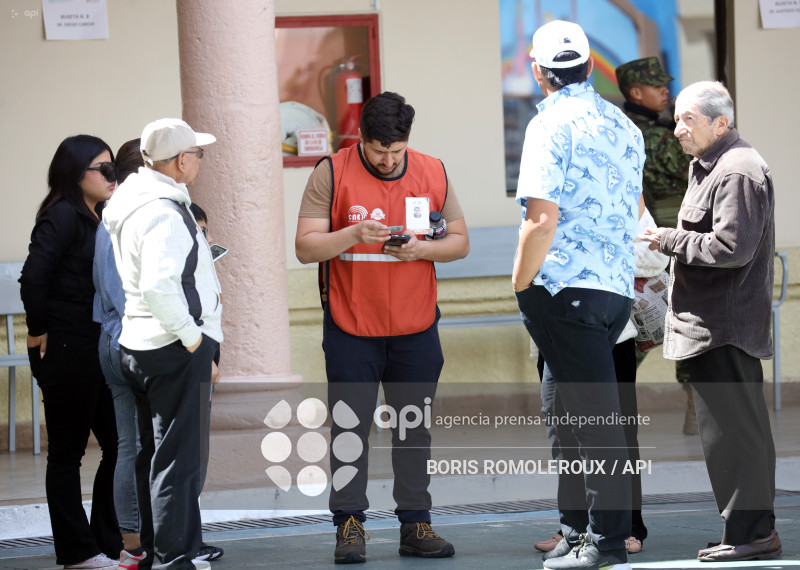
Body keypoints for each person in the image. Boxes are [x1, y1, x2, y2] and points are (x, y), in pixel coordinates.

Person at [295, 91, 469, 564]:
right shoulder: (330, 172)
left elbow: (459, 241)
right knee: (350, 429)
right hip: (352, 326)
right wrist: (351, 233)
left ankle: (416, 524)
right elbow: (306, 248)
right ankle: (349, 527)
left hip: (416, 327)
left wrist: (422, 250)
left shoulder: (432, 169)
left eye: (397, 151)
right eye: (378, 151)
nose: (389, 160)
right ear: (361, 140)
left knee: (414, 431)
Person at [512, 20, 644, 570]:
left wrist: (520, 281)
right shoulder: (624, 125)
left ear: (538, 72)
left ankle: (607, 543)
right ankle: (576, 530)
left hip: (564, 288)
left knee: (591, 423)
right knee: (566, 416)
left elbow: (540, 219)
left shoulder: (548, 125)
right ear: (590, 67)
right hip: (613, 292)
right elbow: (634, 212)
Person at [641, 81, 780, 562]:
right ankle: (747, 530)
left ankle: (751, 534)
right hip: (710, 326)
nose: (678, 129)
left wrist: (668, 239)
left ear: (721, 122)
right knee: (731, 435)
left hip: (724, 327)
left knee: (736, 434)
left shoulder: (737, 170)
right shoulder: (712, 166)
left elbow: (731, 248)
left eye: (689, 120)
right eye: (676, 118)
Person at [93, 140, 224, 570]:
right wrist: (194, 341)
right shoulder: (162, 212)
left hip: (140, 344)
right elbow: (157, 288)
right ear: (181, 159)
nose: (200, 163)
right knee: (173, 461)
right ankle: (173, 558)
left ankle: (153, 553)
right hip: (167, 345)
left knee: (152, 455)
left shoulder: (129, 206)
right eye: (198, 155)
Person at [533, 206, 668, 557]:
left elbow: (654, 257)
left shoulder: (620, 187)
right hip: (553, 333)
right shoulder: (548, 193)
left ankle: (628, 527)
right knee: (566, 436)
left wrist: (592, 254)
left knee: (617, 434)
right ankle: (576, 529)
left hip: (611, 336)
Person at [20, 135, 122, 569]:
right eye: (104, 168)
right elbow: (33, 277)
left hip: (95, 347)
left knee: (118, 444)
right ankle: (77, 553)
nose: (112, 176)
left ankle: (102, 540)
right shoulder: (62, 215)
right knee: (67, 452)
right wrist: (37, 330)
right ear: (74, 173)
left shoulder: (96, 216)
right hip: (66, 347)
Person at [616, 56, 698, 435]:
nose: (667, 91)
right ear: (635, 92)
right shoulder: (649, 135)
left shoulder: (623, 129)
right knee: (678, 325)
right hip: (662, 248)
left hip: (652, 247)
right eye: (657, 86)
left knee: (642, 332)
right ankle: (696, 408)